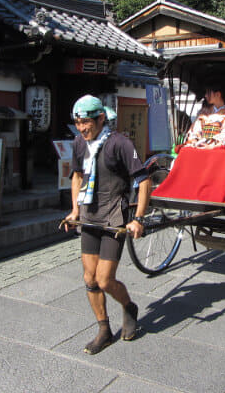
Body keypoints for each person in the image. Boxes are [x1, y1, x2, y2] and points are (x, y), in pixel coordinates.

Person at [63, 95, 151, 355]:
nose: (82, 128)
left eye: (87, 122)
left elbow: (143, 180)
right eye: (78, 123)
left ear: (101, 118)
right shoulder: (79, 143)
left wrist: (138, 219)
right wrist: (74, 209)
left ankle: (129, 306)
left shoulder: (120, 143)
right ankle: (103, 329)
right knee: (89, 278)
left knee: (104, 279)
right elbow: (77, 176)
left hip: (114, 219)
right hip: (89, 217)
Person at [183, 83, 225, 149]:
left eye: (208, 93)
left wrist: (212, 145)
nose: (205, 95)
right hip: (199, 146)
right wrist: (194, 140)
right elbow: (195, 130)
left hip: (216, 150)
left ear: (218, 94)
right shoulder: (204, 113)